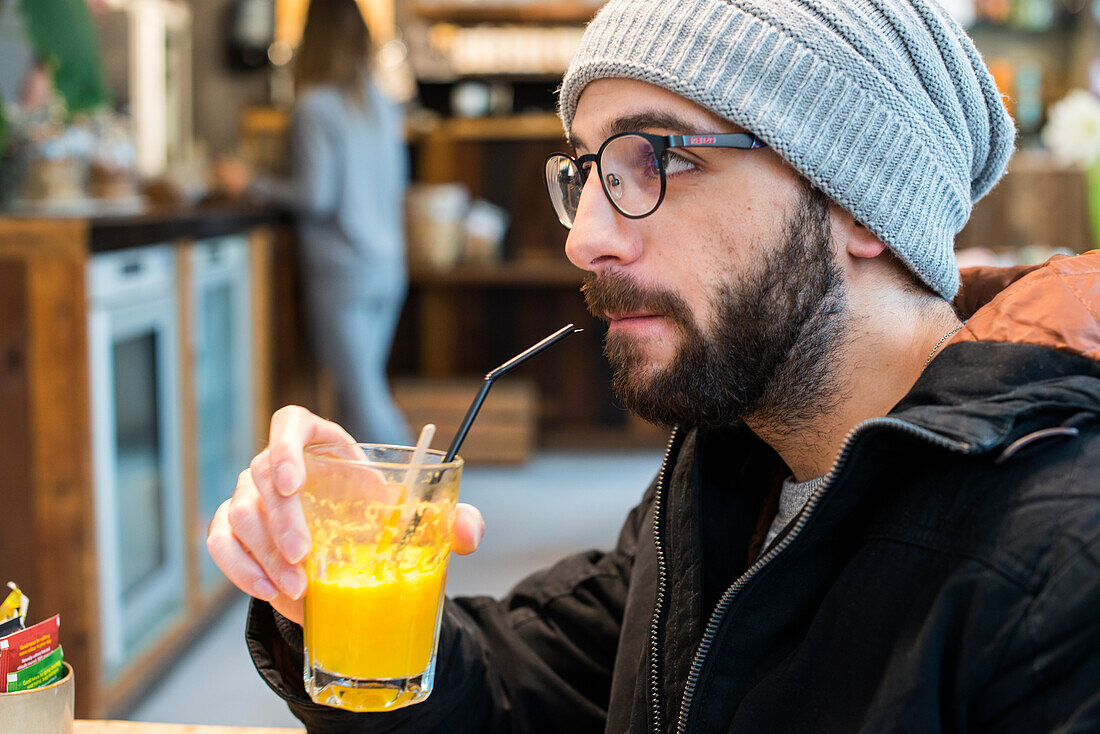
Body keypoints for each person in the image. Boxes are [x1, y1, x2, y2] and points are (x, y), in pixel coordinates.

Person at [208, 0, 1100, 730]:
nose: (586, 239)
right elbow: (529, 690)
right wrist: (334, 611)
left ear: (859, 200)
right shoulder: (733, 470)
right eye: (587, 172)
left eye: (659, 156)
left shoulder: (1062, 577)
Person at [216, 0, 411, 446]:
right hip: (387, 268)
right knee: (361, 396)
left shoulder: (314, 107)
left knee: (364, 401)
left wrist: (249, 182)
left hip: (343, 274)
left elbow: (316, 197)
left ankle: (419, 501)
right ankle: (369, 507)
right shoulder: (383, 105)